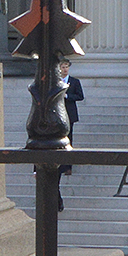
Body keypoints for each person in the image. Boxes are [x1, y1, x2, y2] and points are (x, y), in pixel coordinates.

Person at [54, 59, 84, 206]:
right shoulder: (55, 81)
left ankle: (68, 165)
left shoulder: (74, 81)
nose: (64, 69)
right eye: (62, 67)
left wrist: (67, 96)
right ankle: (62, 163)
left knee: (69, 139)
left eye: (66, 67)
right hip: (58, 115)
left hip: (70, 113)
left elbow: (80, 96)